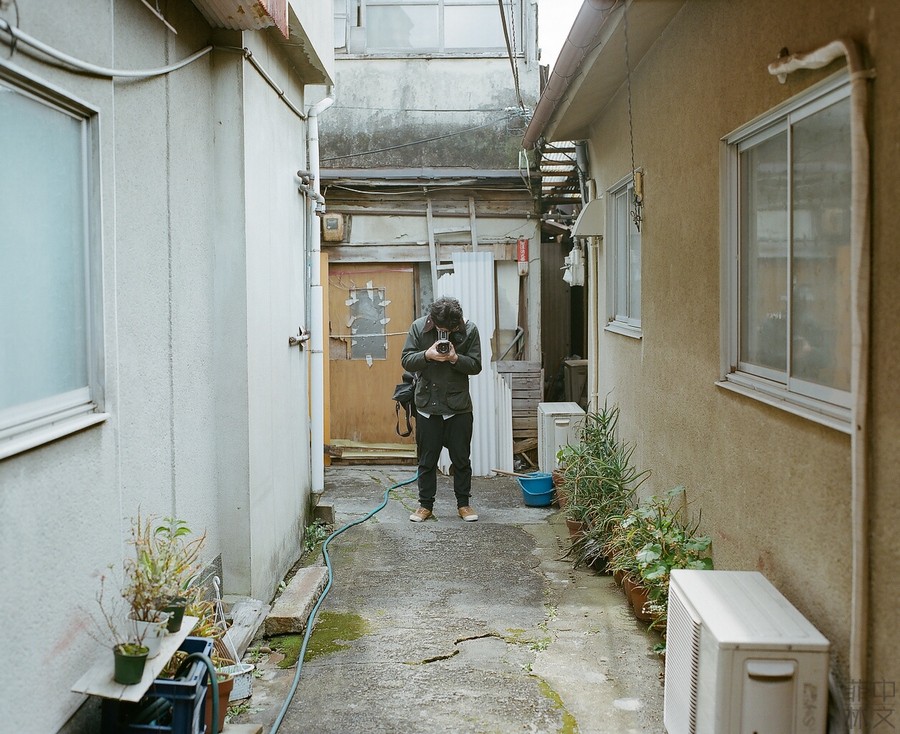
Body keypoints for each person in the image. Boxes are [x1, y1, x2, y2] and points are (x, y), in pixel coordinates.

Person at [401, 296, 482, 522]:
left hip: (458, 406)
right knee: (427, 461)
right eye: (441, 329)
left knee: (461, 460)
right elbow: (406, 360)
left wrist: (455, 358)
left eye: (450, 330)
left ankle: (464, 504)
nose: (444, 333)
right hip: (428, 405)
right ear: (433, 321)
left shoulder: (469, 330)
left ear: (457, 324)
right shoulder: (418, 327)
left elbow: (476, 366)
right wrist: (427, 355)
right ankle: (425, 506)